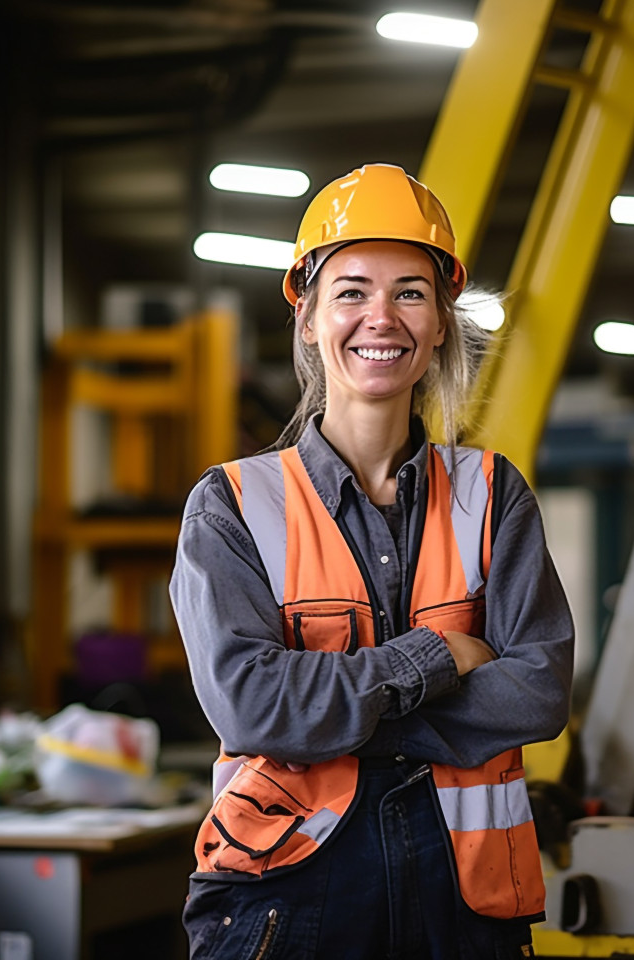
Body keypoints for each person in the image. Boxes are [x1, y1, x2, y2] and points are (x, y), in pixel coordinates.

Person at [170, 162, 574, 960]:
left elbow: (537, 693)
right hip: (287, 906)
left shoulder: (493, 495)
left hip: (462, 911)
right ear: (311, 319)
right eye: (351, 291)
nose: (379, 318)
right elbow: (253, 709)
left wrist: (331, 713)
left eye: (410, 293)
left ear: (439, 326)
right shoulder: (232, 507)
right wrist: (443, 656)